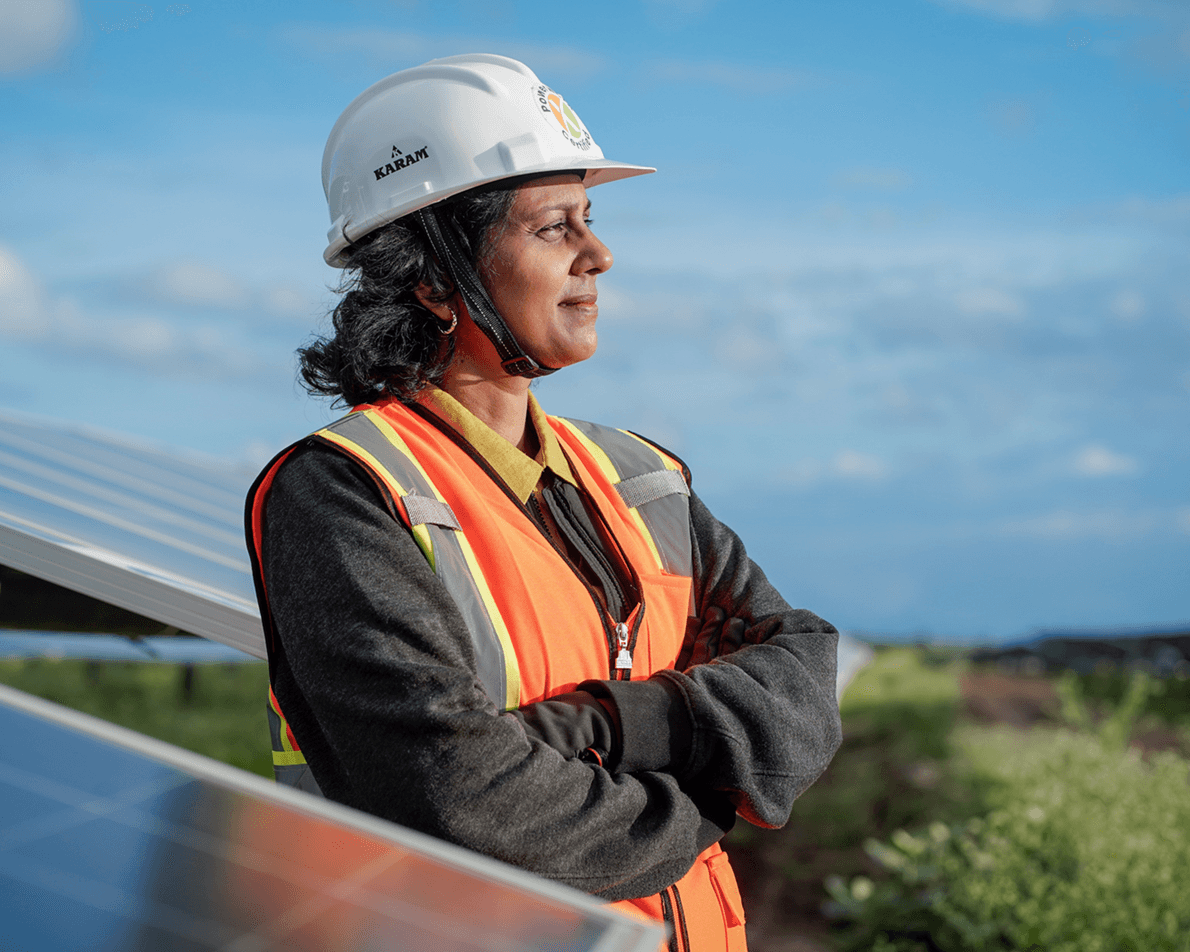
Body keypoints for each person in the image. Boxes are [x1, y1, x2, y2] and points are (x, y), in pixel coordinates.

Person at [246, 53, 842, 952]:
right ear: (434, 278)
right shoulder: (347, 494)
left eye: (590, 221)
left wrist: (609, 724)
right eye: (554, 226)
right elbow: (465, 796)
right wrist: (713, 792)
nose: (599, 255)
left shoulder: (642, 481)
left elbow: (803, 676)